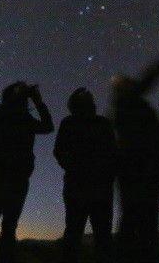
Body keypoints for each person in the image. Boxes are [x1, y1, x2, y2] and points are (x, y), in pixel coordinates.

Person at [0, 82, 54, 263]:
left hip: (14, 177)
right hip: (5, 176)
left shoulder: (17, 116)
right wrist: (36, 101)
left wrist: (35, 100)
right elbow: (46, 125)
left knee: (4, 225)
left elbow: (48, 127)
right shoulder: (1, 113)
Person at [111, 50, 159, 263]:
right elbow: (147, 81)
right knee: (139, 222)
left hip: (144, 170)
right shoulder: (127, 103)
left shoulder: (127, 107)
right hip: (140, 171)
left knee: (137, 221)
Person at [54, 88, 117, 263]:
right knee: (80, 234)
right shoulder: (71, 123)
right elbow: (59, 151)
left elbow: (113, 153)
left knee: (98, 235)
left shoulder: (101, 124)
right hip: (83, 186)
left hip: (94, 187)